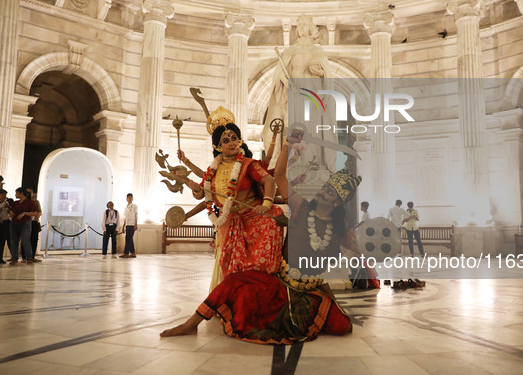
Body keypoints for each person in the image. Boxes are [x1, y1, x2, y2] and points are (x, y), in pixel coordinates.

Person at [160, 130, 359, 344]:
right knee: (234, 282)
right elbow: (279, 175)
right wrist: (287, 144)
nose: (322, 192)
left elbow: (368, 251)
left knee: (342, 327)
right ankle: (191, 324)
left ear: (337, 203)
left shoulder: (341, 232)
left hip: (312, 291)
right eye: (325, 187)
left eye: (329, 193)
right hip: (281, 283)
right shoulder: (302, 207)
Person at [178, 106, 284, 291]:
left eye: (235, 138)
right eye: (226, 140)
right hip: (227, 223)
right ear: (218, 147)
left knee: (271, 222)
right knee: (227, 265)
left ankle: (259, 292)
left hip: (253, 217)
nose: (232, 143)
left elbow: (268, 180)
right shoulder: (213, 170)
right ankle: (228, 300)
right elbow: (204, 196)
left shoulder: (247, 164)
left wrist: (266, 204)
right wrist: (195, 190)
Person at [261, 15, 337, 173]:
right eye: (299, 25)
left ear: (310, 28)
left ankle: (312, 164)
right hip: (294, 96)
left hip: (312, 96)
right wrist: (287, 83)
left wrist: (319, 72)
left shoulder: (318, 51)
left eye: (304, 24)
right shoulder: (290, 51)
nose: (301, 27)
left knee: (312, 129)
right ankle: (290, 164)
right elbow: (279, 75)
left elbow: (327, 78)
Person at [8, 188, 37, 266]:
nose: (15, 194)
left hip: (25, 223)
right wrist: (11, 212)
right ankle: (14, 258)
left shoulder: (30, 202)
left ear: (21, 193)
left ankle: (29, 258)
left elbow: (34, 213)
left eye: (16, 193)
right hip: (14, 223)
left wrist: (24, 213)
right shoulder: (16, 202)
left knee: (25, 241)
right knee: (14, 241)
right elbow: (11, 210)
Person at [22, 187, 42, 263]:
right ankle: (24, 257)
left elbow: (39, 212)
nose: (29, 194)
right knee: (25, 239)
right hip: (25, 222)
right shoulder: (23, 202)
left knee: (34, 239)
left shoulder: (36, 202)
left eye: (30, 193)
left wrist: (35, 217)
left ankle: (32, 256)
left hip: (34, 222)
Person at [0, 189, 12, 264]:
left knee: (2, 240)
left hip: (5, 222)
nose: (4, 196)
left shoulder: (6, 202)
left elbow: (9, 211)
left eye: (5, 195)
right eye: (3, 194)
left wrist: (9, 207)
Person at [120, 193, 138, 258]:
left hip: (132, 224)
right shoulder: (126, 207)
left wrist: (136, 224)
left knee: (128, 238)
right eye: (128, 198)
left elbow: (136, 215)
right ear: (126, 199)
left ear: (132, 199)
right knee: (130, 239)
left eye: (130, 198)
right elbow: (125, 217)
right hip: (127, 224)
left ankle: (126, 253)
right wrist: (123, 226)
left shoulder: (134, 206)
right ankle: (133, 253)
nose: (129, 199)